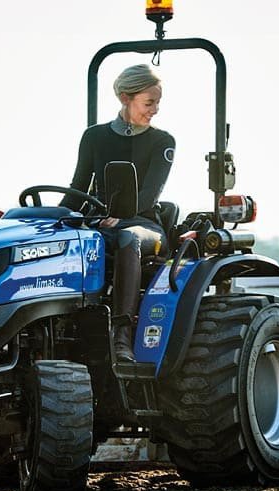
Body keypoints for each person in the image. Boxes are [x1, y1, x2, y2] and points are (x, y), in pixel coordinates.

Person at [61, 64, 175, 362]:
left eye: (157, 102)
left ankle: (122, 335)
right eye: (149, 103)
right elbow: (77, 187)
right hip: (100, 222)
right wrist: (47, 218)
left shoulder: (162, 142)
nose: (155, 110)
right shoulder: (94, 137)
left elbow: (150, 194)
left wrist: (122, 215)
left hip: (143, 225)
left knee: (127, 237)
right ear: (126, 98)